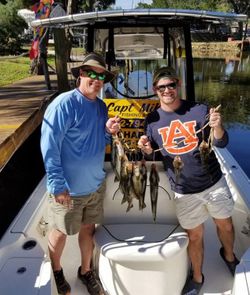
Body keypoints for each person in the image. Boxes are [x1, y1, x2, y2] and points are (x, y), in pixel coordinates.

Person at [138, 66, 239, 295]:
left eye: (171, 85)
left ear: (178, 84)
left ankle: (229, 256)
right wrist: (145, 149)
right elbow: (152, 154)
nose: (167, 90)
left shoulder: (199, 109)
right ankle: (197, 276)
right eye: (161, 87)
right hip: (183, 190)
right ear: (155, 90)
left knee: (226, 224)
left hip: (213, 182)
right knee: (194, 235)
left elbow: (222, 143)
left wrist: (218, 126)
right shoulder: (152, 121)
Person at [40, 52, 120, 295]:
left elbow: (100, 139)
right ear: (81, 75)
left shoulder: (101, 106)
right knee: (60, 232)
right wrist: (57, 185)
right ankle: (56, 269)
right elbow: (49, 146)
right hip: (68, 190)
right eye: (92, 74)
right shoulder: (63, 104)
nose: (96, 79)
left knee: (88, 230)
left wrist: (109, 130)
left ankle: (85, 271)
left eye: (101, 76)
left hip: (95, 186)